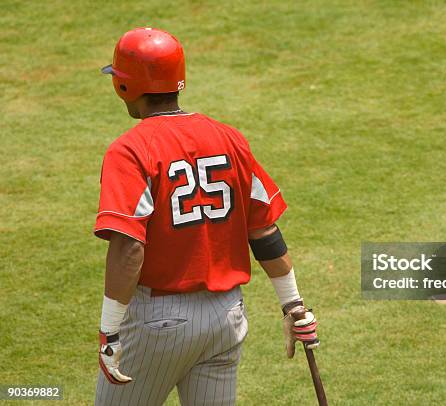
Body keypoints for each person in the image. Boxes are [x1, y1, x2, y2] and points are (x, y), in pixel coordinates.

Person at [94, 27, 319, 406]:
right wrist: (294, 305)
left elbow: (129, 247)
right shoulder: (228, 137)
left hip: (158, 323)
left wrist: (109, 330)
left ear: (126, 87)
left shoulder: (130, 150)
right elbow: (264, 229)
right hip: (225, 317)